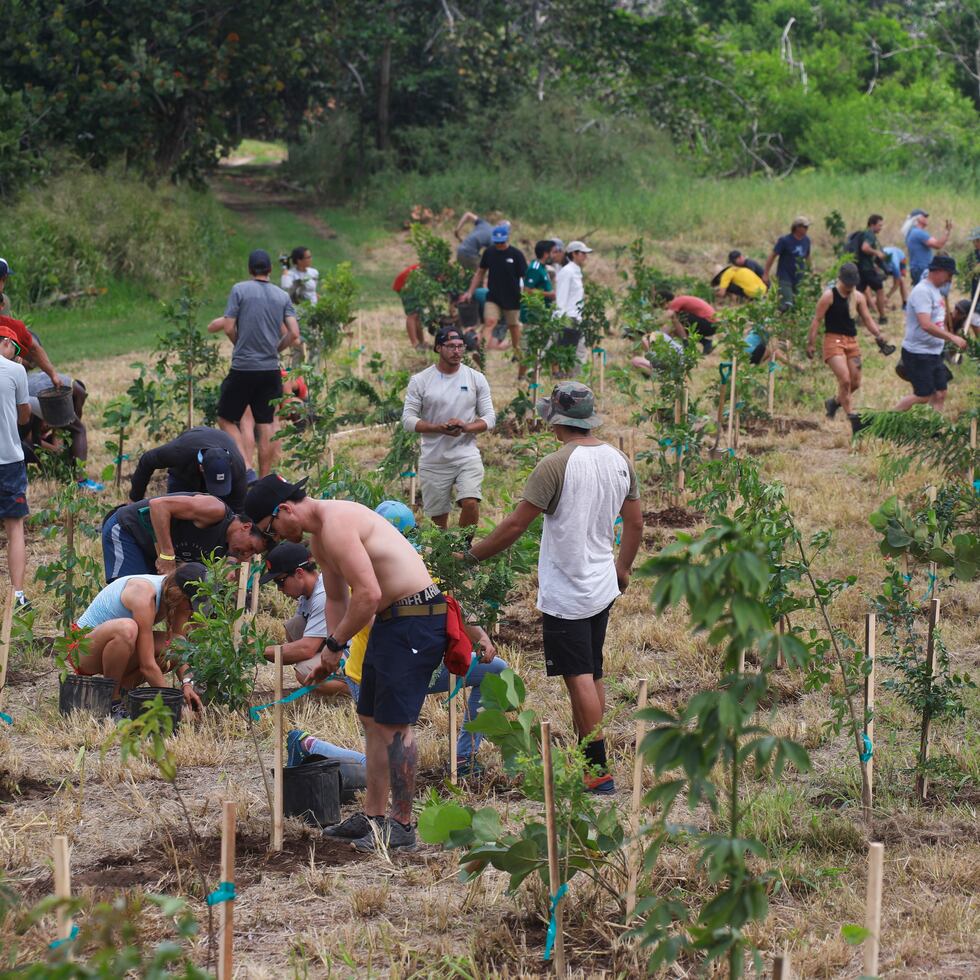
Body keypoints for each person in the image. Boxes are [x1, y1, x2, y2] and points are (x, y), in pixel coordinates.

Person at [243, 475, 447, 852]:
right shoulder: (321, 538)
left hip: (414, 620)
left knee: (395, 726)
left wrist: (335, 645)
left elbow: (368, 593)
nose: (273, 537)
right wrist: (329, 652)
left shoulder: (337, 524)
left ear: (285, 509)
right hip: (391, 623)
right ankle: (373, 816)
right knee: (371, 718)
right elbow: (337, 600)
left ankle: (401, 824)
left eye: (270, 529)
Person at [457, 383, 643, 795]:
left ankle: (597, 771)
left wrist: (470, 556)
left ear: (556, 419)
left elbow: (515, 525)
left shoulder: (554, 465)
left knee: (577, 677)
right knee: (592, 672)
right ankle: (586, 757)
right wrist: (623, 568)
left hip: (568, 590)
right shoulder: (618, 460)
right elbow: (635, 523)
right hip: (601, 583)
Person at [209, 249, 300, 477]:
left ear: (250, 270)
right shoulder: (282, 296)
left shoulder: (240, 290)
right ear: (270, 270)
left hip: (243, 368)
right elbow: (294, 333)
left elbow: (228, 326)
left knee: (226, 417)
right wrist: (277, 348)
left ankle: (246, 467)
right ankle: (264, 477)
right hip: (270, 369)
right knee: (266, 423)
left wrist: (239, 344)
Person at [72, 564, 207, 714]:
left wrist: (187, 684)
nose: (192, 609)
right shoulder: (144, 594)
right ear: (178, 594)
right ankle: (112, 701)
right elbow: (147, 665)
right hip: (82, 650)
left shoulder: (175, 597)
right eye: (191, 603)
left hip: (111, 651)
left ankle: (123, 691)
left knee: (175, 645)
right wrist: (173, 706)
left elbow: (180, 650)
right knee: (127, 629)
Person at [402, 326, 495, 529]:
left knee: (470, 502)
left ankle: (463, 548)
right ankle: (444, 555)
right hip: (434, 459)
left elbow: (489, 418)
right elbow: (408, 420)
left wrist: (466, 427)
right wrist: (438, 428)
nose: (456, 351)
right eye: (451, 346)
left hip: (466, 455)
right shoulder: (421, 380)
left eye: (461, 346)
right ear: (438, 348)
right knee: (438, 521)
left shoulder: (475, 378)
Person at [806, 263, 895, 434]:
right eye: (847, 283)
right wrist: (811, 343)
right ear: (841, 280)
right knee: (845, 380)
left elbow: (868, 319)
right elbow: (817, 320)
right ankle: (853, 418)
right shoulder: (828, 296)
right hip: (833, 341)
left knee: (855, 382)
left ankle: (834, 403)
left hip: (851, 342)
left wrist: (878, 335)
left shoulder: (859, 297)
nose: (849, 287)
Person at [101, 491, 267, 583]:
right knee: (129, 600)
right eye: (251, 548)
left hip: (150, 549)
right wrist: (167, 554)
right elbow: (159, 506)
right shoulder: (216, 510)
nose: (246, 554)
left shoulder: (224, 548)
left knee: (154, 603)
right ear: (246, 527)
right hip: (128, 531)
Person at [893, 255, 967, 413]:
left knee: (940, 393)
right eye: (949, 274)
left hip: (933, 352)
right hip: (918, 353)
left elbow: (938, 322)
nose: (950, 279)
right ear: (939, 271)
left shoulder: (935, 291)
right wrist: (952, 337)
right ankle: (884, 421)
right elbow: (926, 324)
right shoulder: (922, 292)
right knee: (923, 395)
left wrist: (949, 340)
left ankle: (935, 430)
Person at [128, 427, 248, 512]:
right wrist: (135, 499)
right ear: (201, 468)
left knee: (221, 512)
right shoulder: (179, 453)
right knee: (178, 513)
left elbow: (237, 510)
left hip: (218, 443)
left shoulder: (237, 468)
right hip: (184, 474)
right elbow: (147, 460)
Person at [461, 225, 527, 368]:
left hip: (512, 298)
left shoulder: (516, 255)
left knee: (513, 327)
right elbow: (480, 273)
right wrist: (470, 291)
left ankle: (518, 353)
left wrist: (525, 296)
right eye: (496, 242)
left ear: (507, 239)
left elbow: (524, 277)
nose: (499, 245)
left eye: (501, 242)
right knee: (490, 321)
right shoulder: (489, 253)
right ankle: (481, 354)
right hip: (493, 296)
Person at [0, 325, 33, 610]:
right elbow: (25, 418)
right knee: (15, 528)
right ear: (7, 342)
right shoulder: (15, 371)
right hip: (8, 460)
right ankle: (18, 595)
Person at [553, 240, 593, 363]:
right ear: (574, 254)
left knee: (579, 352)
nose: (585, 256)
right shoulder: (567, 272)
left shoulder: (576, 271)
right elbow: (561, 297)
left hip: (577, 317)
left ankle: (579, 379)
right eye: (582, 253)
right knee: (565, 352)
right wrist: (560, 319)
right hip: (569, 318)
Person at [763, 217, 812, 309]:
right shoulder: (784, 240)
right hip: (785, 277)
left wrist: (810, 272)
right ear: (797, 227)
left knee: (798, 305)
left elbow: (807, 256)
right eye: (805, 227)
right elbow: (772, 256)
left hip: (799, 277)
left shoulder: (807, 240)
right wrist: (766, 273)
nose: (807, 229)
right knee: (786, 304)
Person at [903, 209, 951, 287]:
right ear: (918, 219)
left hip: (916, 268)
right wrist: (947, 232)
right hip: (922, 269)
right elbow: (938, 245)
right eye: (924, 216)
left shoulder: (912, 232)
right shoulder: (919, 233)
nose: (926, 218)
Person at [855, 214, 889, 323]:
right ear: (872, 224)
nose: (881, 228)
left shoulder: (864, 234)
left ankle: (859, 318)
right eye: (879, 225)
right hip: (867, 269)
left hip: (859, 268)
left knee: (859, 293)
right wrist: (877, 252)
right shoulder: (870, 235)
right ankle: (882, 317)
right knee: (880, 289)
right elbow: (865, 248)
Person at [883, 245, 909, 310]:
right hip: (887, 253)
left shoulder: (895, 266)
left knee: (901, 280)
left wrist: (887, 296)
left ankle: (905, 302)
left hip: (901, 258)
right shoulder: (879, 261)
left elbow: (896, 284)